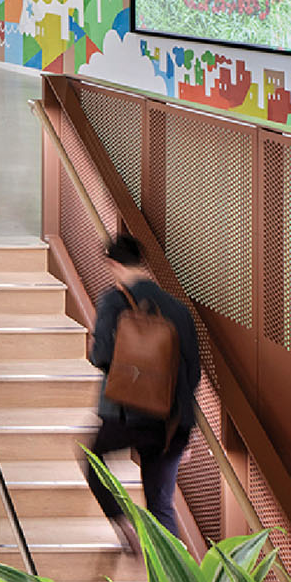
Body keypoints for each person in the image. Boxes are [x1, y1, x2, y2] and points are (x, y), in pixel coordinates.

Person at [85, 233, 200, 545]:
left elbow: (104, 356)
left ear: (112, 263)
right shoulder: (178, 308)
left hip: (127, 416)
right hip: (172, 422)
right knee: (161, 504)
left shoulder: (114, 300)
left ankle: (124, 524)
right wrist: (187, 431)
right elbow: (193, 372)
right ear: (141, 262)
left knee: (92, 459)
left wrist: (94, 349)